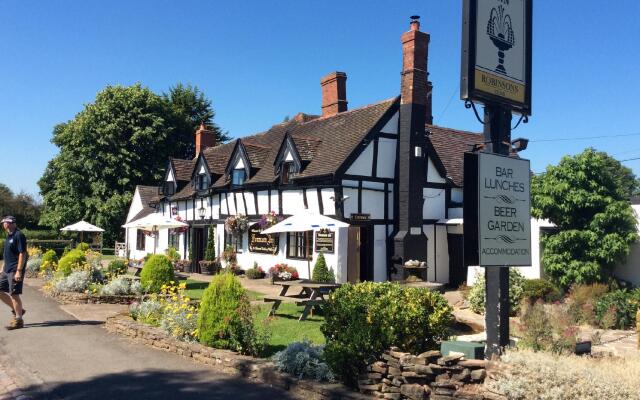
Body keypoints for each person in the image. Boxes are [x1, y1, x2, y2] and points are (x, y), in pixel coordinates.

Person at [1, 216, 27, 330]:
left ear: (11, 223)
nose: (3, 225)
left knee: (14, 294)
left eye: (5, 223)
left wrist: (19, 271)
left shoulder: (18, 235)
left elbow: (22, 253)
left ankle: (19, 320)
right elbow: (7, 253)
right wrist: (2, 267)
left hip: (14, 270)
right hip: (6, 269)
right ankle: (19, 311)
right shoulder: (9, 235)